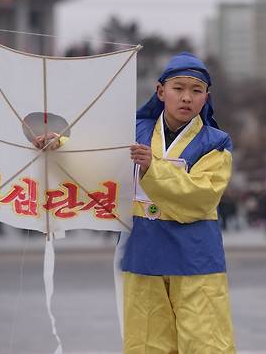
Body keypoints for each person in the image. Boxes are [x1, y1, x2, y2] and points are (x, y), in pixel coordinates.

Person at [35, 52, 235, 352]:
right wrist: (61, 146)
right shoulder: (135, 132)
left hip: (196, 253)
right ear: (160, 91)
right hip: (145, 248)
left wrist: (153, 167)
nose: (186, 98)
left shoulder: (216, 142)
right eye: (178, 88)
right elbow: (98, 158)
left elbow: (203, 194)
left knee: (206, 340)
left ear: (206, 98)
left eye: (196, 91)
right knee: (146, 340)